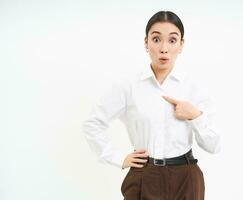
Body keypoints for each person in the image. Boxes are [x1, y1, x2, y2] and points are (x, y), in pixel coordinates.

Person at [82, 10, 221, 200]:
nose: (164, 48)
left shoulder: (194, 88)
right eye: (156, 39)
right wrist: (117, 158)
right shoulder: (129, 86)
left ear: (181, 44)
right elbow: (93, 123)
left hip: (185, 177)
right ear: (146, 43)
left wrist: (195, 115)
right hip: (144, 176)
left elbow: (214, 145)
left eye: (172, 40)